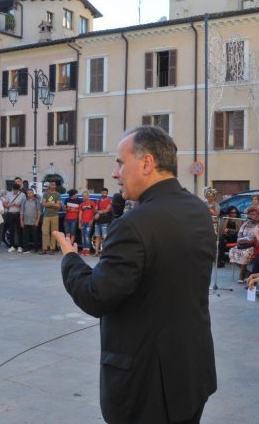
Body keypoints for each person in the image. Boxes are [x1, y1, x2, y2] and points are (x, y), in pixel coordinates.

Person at [54, 126, 216, 423]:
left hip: (148, 387)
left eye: (120, 163)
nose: (115, 173)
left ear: (147, 163)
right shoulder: (197, 209)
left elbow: (95, 296)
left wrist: (70, 259)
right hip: (191, 374)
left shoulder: (134, 224)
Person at [229, 206, 259, 283]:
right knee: (231, 252)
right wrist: (242, 241)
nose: (252, 216)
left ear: (258, 215)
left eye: (254, 214)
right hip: (242, 244)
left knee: (245, 253)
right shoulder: (245, 224)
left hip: (253, 246)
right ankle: (247, 273)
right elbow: (239, 235)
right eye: (250, 214)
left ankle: (242, 274)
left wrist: (248, 241)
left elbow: (257, 238)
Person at [4, 182, 26, 253]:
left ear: (19, 189)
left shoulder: (22, 195)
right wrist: (10, 205)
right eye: (14, 190)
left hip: (18, 214)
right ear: (12, 189)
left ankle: (20, 246)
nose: (15, 192)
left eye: (16, 190)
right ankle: (11, 246)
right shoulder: (9, 194)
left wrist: (18, 205)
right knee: (11, 230)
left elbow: (25, 205)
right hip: (10, 214)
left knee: (19, 231)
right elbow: (5, 204)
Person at [40, 181, 61, 255]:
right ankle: (45, 248)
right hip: (46, 215)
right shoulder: (45, 194)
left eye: (54, 185)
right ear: (49, 186)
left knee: (54, 232)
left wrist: (49, 203)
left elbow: (58, 206)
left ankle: (52, 249)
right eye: (51, 185)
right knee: (44, 232)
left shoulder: (58, 194)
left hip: (55, 215)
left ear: (55, 186)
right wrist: (53, 204)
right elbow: (43, 204)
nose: (52, 186)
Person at [20, 188, 41, 253]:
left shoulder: (36, 201)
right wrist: (21, 220)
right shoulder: (24, 201)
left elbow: (39, 212)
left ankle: (36, 248)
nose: (29, 194)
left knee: (35, 236)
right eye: (28, 193)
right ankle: (26, 248)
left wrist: (37, 221)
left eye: (30, 193)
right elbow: (22, 211)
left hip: (34, 222)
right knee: (25, 236)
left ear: (33, 193)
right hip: (25, 221)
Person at [93, 188, 112, 256]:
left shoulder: (109, 201)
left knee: (105, 237)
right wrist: (97, 212)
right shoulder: (98, 201)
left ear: (107, 193)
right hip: (98, 222)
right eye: (103, 193)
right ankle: (96, 252)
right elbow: (95, 210)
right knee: (97, 237)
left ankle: (104, 253)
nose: (104, 194)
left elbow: (107, 210)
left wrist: (98, 213)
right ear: (101, 193)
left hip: (105, 221)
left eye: (105, 193)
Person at [78, 190, 96, 256]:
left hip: (89, 222)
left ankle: (88, 250)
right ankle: (84, 249)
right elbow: (80, 214)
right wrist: (79, 223)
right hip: (83, 222)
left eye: (85, 196)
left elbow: (95, 212)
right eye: (83, 196)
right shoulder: (81, 204)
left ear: (88, 196)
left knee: (87, 236)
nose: (84, 197)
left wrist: (92, 220)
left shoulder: (92, 203)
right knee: (83, 236)